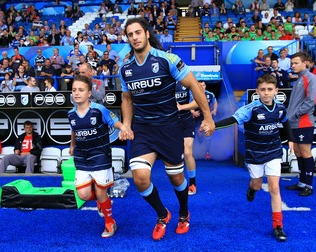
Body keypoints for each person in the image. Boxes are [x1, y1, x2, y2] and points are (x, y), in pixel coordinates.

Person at [119, 17, 215, 240]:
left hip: (169, 128)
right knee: (140, 178)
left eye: (137, 33)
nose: (134, 37)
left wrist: (208, 118)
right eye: (130, 34)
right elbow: (126, 99)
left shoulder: (167, 59)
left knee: (176, 178)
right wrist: (125, 124)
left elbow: (194, 86)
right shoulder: (126, 68)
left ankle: (183, 213)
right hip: (143, 129)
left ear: (147, 33)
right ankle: (163, 215)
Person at [214, 74, 292, 241]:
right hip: (255, 154)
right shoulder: (251, 109)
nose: (266, 93)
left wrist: (291, 139)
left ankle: (278, 226)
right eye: (262, 90)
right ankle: (251, 188)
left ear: (276, 91)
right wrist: (214, 126)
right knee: (256, 185)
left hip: (274, 152)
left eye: (270, 89)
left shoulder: (280, 108)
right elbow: (233, 119)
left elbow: (285, 122)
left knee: (274, 187)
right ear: (257, 91)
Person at [68, 75, 131, 238]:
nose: (77, 93)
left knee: (101, 192)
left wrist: (123, 128)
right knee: (83, 194)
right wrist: (72, 145)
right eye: (74, 90)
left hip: (100, 156)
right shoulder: (71, 114)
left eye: (81, 90)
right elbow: (74, 131)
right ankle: (101, 202)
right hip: (82, 158)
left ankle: (110, 223)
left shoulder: (98, 109)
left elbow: (114, 121)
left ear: (89, 93)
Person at [286, 52, 316, 197]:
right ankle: (302, 182)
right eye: (292, 63)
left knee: (305, 152)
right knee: (298, 153)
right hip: (295, 121)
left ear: (305, 63)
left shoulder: (310, 78)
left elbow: (312, 101)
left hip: (303, 122)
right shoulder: (299, 78)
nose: (293, 65)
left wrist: (297, 114)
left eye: (296, 63)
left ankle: (309, 185)